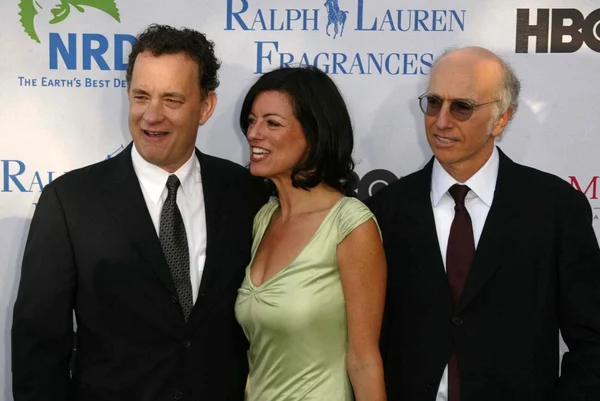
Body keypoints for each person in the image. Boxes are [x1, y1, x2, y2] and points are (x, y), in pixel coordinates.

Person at [12, 24, 268, 401]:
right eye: (141, 96)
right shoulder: (70, 202)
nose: (151, 116)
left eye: (172, 100)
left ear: (206, 106)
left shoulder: (247, 193)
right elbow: (39, 351)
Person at [367, 46, 600, 401]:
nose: (441, 121)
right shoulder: (384, 211)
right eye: (433, 103)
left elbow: (593, 339)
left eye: (461, 107)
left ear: (503, 118)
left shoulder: (555, 208)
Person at [234, 66, 387, 401]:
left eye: (272, 123)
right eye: (251, 120)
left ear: (315, 134)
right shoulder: (265, 219)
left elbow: (364, 361)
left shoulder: (350, 223)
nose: (254, 134)